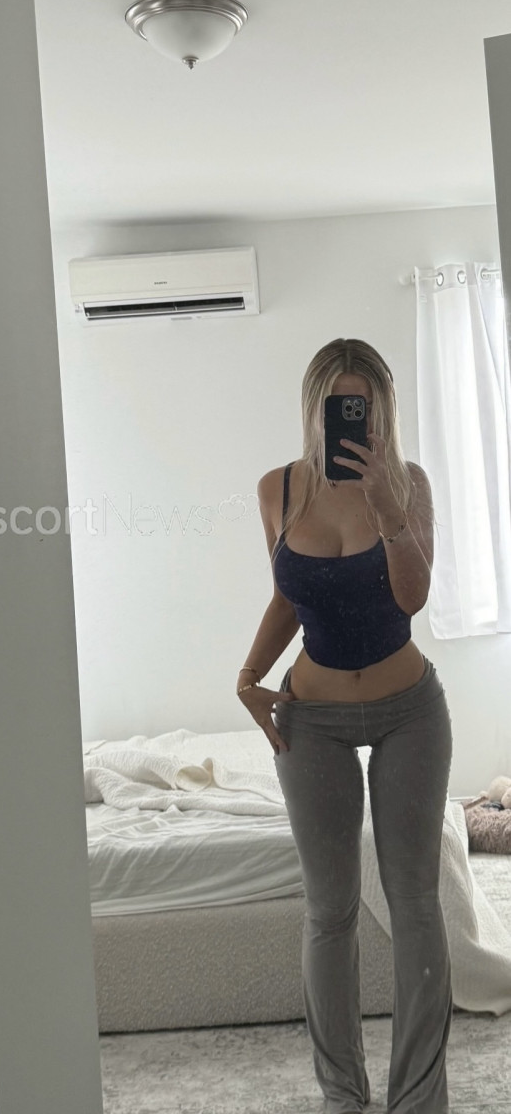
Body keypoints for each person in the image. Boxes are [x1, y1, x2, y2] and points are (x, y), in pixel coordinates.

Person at [236, 338, 453, 1114]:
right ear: (314, 408)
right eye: (338, 406)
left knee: (414, 902)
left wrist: (389, 512)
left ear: (383, 408)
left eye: (364, 405)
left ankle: (418, 1100)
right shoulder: (279, 489)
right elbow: (290, 596)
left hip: (409, 711)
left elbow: (412, 598)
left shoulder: (408, 483)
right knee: (329, 911)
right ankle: (342, 1097)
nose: (351, 420)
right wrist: (247, 678)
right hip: (313, 717)